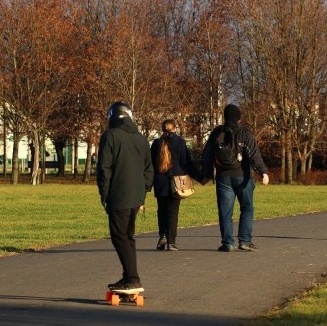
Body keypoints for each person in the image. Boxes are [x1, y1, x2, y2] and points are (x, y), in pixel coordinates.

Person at [97, 101, 154, 293]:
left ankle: (133, 278)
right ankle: (128, 276)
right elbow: (149, 169)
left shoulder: (110, 136)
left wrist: (104, 194)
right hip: (136, 196)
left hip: (118, 194)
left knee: (120, 236)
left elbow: (104, 167)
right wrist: (143, 192)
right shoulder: (140, 138)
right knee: (127, 236)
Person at [202, 104, 269, 252]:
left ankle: (227, 242)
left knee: (225, 211)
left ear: (225, 117)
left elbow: (207, 154)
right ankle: (244, 241)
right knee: (247, 208)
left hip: (223, 177)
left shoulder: (217, 133)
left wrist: (206, 175)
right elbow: (254, 155)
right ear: (239, 118)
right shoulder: (245, 133)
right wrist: (263, 172)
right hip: (242, 176)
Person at [150, 118, 204, 251]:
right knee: (173, 212)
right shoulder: (179, 142)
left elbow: (151, 164)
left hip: (160, 182)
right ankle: (171, 242)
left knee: (161, 211)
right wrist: (199, 177)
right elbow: (187, 163)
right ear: (174, 128)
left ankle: (162, 235)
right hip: (176, 181)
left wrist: (148, 183)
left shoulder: (156, 143)